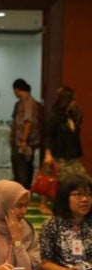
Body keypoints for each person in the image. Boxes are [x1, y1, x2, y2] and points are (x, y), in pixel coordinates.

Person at [39, 173, 92, 270]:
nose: (85, 199)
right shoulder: (52, 226)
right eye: (78, 195)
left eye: (88, 194)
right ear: (65, 197)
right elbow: (43, 263)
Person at [41, 86, 88, 215]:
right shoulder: (54, 116)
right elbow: (48, 135)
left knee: (83, 178)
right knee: (53, 181)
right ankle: (45, 205)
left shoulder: (72, 115)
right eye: (73, 99)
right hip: (58, 155)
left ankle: (70, 205)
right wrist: (48, 154)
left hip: (71, 155)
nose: (75, 102)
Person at [10, 78, 42, 190]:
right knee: (20, 168)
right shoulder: (21, 103)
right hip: (20, 142)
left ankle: (22, 192)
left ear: (17, 89)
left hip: (25, 143)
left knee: (23, 169)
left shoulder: (28, 103)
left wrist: (23, 140)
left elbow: (28, 122)